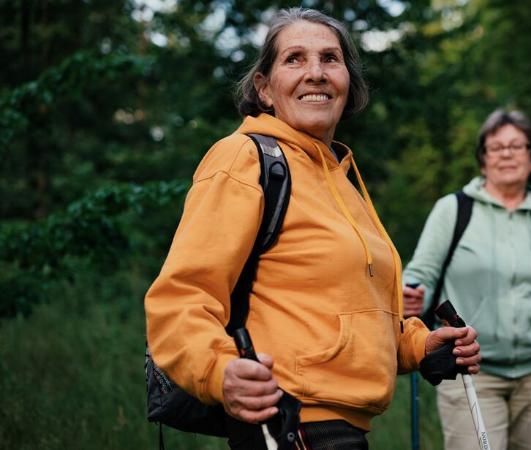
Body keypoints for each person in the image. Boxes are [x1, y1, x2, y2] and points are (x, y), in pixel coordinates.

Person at [144, 8, 480, 450]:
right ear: (264, 89)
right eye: (295, 59)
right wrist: (218, 370)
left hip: (343, 427)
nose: (316, 73)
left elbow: (357, 317)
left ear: (347, 81)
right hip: (287, 422)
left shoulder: (343, 181)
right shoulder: (244, 159)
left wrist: (422, 345)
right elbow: (182, 297)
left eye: (330, 59)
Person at [402, 108, 531, 450]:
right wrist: (411, 299)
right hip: (469, 367)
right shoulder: (453, 210)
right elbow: (418, 279)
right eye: (496, 147)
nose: (506, 153)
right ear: (483, 161)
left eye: (517, 146)